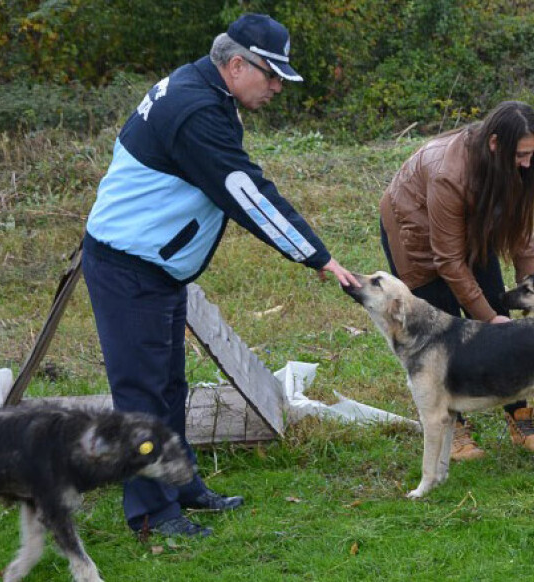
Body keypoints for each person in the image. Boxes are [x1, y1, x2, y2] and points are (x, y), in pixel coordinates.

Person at [82, 14, 360, 538]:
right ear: (237, 64)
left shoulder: (203, 87)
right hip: (129, 266)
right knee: (141, 393)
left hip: (155, 265)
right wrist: (318, 257)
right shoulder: (196, 113)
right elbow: (246, 194)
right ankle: (152, 514)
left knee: (168, 383)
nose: (277, 87)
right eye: (271, 75)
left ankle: (183, 486)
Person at [379, 101, 534, 461]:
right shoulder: (448, 173)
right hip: (417, 239)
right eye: (521, 154)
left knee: (498, 308)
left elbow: (522, 232)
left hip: (471, 232)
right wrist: (487, 320)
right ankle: (452, 427)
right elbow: (448, 260)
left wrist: (529, 286)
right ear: (494, 144)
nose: (526, 162)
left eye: (532, 154)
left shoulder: (517, 165)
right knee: (442, 334)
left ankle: (519, 416)